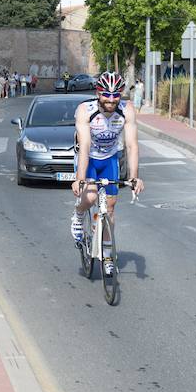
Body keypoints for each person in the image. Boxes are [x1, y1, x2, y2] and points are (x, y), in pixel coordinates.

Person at [70, 71, 144, 277]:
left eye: (115, 95)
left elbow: (131, 145)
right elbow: (84, 146)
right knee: (91, 195)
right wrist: (80, 179)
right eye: (106, 95)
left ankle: (109, 256)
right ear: (98, 93)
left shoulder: (126, 110)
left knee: (110, 208)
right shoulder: (85, 110)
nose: (111, 100)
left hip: (110, 158)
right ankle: (78, 215)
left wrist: (134, 176)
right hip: (89, 157)